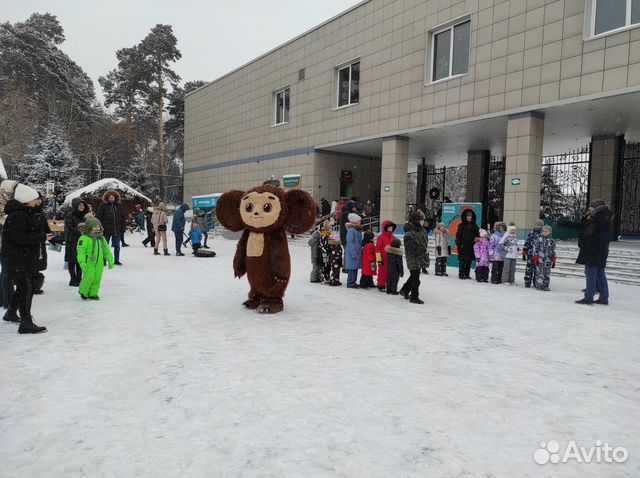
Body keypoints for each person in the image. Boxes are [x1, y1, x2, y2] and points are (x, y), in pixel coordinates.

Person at [1, 184, 49, 333]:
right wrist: (41, 237)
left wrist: (47, 237)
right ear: (27, 200)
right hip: (17, 259)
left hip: (22, 258)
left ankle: (10, 313)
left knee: (23, 287)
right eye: (35, 199)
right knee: (27, 287)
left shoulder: (24, 213)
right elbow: (19, 238)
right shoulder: (17, 215)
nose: (37, 202)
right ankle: (26, 323)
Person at [575, 199, 612, 305]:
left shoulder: (596, 218)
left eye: (590, 207)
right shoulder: (605, 217)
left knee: (591, 273)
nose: (589, 209)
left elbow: (584, 229)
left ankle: (589, 297)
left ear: (595, 208)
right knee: (600, 274)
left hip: (593, 250)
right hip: (601, 250)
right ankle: (604, 298)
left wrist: (587, 216)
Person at [77, 215, 115, 300]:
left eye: (98, 226)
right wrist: (82, 261)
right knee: (89, 277)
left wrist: (110, 260)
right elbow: (81, 251)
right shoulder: (84, 238)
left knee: (97, 277)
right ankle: (83, 291)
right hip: (88, 261)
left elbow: (106, 250)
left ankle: (93, 293)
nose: (97, 228)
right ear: (90, 228)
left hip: (99, 262)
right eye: (95, 227)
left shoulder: (101, 238)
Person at [400, 211, 429, 304]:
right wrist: (423, 250)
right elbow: (411, 248)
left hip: (421, 257)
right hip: (413, 258)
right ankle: (414, 296)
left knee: (414, 276)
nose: (422, 221)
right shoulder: (409, 234)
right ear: (416, 220)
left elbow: (424, 242)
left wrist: (424, 250)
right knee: (415, 278)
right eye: (421, 219)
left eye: (423, 219)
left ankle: (404, 290)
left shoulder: (423, 230)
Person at [0, 179, 19, 309]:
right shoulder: (2, 202)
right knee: (6, 272)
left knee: (6, 272)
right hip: (3, 243)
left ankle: (4, 299)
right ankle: (7, 301)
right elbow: (3, 219)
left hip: (6, 242)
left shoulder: (10, 201)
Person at [96, 190, 125, 266]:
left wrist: (123, 227)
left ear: (115, 198)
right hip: (106, 230)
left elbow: (122, 217)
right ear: (107, 198)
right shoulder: (103, 205)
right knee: (105, 246)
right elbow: (99, 217)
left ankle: (116, 260)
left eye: (113, 198)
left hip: (117, 229)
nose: (111, 199)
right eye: (110, 198)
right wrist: (101, 227)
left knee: (117, 246)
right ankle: (103, 260)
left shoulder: (119, 205)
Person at [64, 198, 89, 287]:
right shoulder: (70, 215)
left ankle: (79, 278)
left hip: (83, 241)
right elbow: (70, 227)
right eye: (79, 205)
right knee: (72, 260)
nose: (82, 207)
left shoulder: (87, 215)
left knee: (80, 260)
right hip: (72, 240)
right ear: (75, 206)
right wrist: (82, 231)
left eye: (83, 205)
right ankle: (73, 278)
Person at [455, 208, 479, 279]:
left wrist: (476, 238)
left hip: (471, 246)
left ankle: (467, 274)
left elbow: (477, 234)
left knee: (469, 261)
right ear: (465, 217)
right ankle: (461, 274)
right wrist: (459, 244)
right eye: (468, 216)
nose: (469, 217)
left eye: (470, 216)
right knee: (463, 261)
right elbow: (458, 235)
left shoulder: (474, 225)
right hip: (463, 245)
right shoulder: (461, 225)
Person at [375, 220, 397, 292]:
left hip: (391, 259)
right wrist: (379, 259)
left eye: (391, 228)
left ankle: (389, 284)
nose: (390, 229)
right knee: (382, 272)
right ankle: (381, 285)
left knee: (390, 272)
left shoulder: (393, 238)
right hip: (383, 258)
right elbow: (377, 249)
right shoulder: (381, 237)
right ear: (385, 228)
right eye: (389, 228)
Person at [533, 225, 556, 291]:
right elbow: (536, 249)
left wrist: (554, 260)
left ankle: (546, 285)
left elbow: (553, 250)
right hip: (540, 260)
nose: (544, 232)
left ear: (550, 232)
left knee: (547, 273)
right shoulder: (539, 239)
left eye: (546, 231)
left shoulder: (552, 241)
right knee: (539, 273)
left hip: (548, 260)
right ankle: (539, 285)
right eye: (543, 231)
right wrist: (536, 258)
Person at [523, 219, 544, 288]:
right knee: (529, 269)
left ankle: (536, 282)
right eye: (536, 225)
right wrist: (524, 251)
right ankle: (527, 282)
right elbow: (527, 242)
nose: (537, 226)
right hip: (530, 255)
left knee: (537, 269)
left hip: (538, 256)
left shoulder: (543, 234)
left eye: (539, 225)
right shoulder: (531, 233)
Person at [345, 213, 363, 288]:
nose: (360, 222)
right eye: (359, 221)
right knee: (352, 268)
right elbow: (350, 243)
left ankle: (353, 282)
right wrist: (353, 253)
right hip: (352, 253)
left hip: (357, 253)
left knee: (355, 268)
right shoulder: (351, 231)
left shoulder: (357, 230)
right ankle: (350, 282)